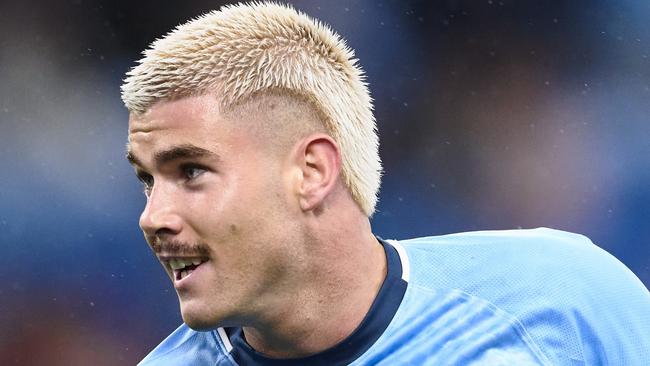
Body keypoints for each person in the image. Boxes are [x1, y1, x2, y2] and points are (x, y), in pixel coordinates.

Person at [121, 2, 650, 365]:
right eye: (147, 180)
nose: (152, 216)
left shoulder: (560, 298)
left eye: (190, 171)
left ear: (312, 173)